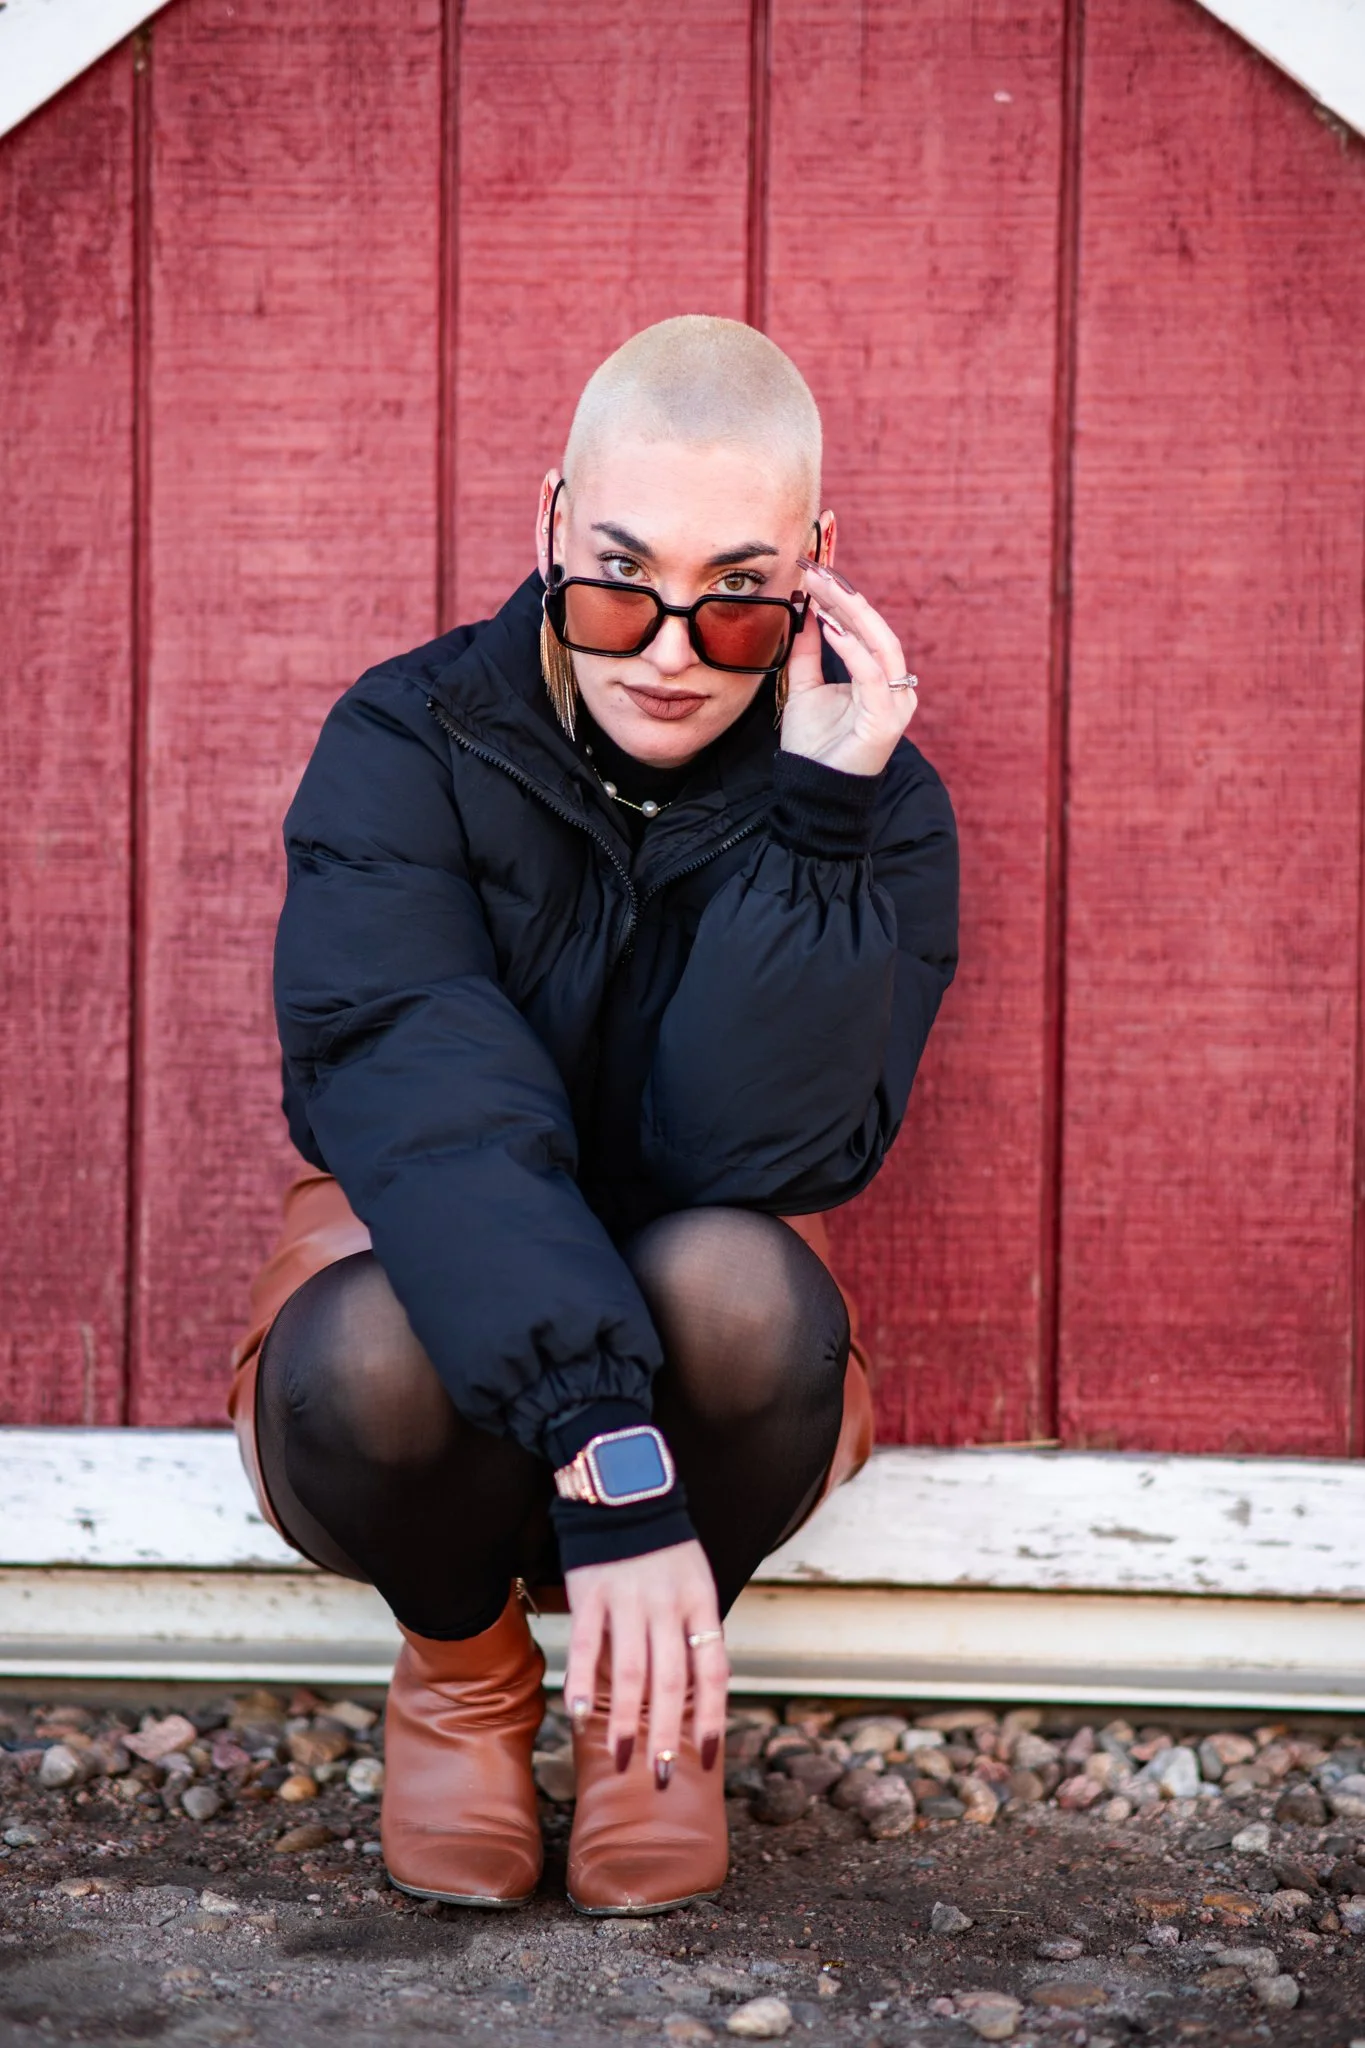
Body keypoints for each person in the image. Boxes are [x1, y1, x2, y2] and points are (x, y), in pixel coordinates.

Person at [228, 315, 958, 1917]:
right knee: (368, 1347)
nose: (672, 649)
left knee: (746, 1287)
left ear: (814, 568)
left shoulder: (871, 797)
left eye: (738, 599)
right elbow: (422, 1094)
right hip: (434, 1286)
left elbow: (763, 1160)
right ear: (551, 520)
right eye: (621, 578)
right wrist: (605, 1450)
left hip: (693, 1313)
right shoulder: (405, 742)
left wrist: (817, 825)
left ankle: (651, 1702)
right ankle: (466, 1665)